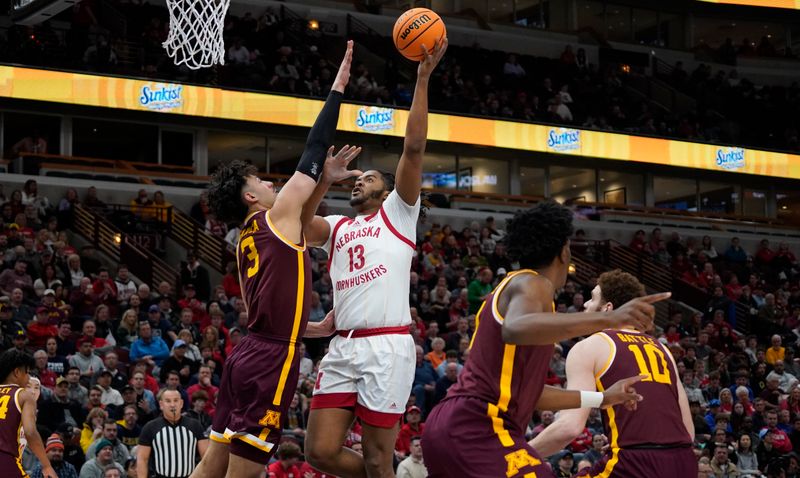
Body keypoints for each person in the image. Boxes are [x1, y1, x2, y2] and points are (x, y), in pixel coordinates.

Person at [190, 41, 359, 478]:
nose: (270, 183)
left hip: (247, 350)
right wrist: (337, 91)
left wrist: (314, 327)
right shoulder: (275, 216)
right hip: (271, 358)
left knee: (213, 462)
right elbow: (314, 149)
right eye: (262, 180)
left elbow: (275, 298)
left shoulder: (252, 235)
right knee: (241, 473)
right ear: (250, 196)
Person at [421, 201, 663, 478]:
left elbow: (531, 395)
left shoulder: (519, 292)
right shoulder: (533, 283)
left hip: (451, 425)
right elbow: (516, 327)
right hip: (477, 425)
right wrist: (611, 319)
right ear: (564, 252)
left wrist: (603, 398)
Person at [302, 38, 449, 478]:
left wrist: (421, 79)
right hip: (343, 345)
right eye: (356, 179)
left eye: (367, 178)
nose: (358, 182)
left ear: (386, 191)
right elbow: (301, 224)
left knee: (377, 458)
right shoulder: (338, 226)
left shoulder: (399, 213)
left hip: (387, 346)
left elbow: (414, 149)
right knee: (320, 452)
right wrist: (324, 180)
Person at [530, 270, 696, 476]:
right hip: (684, 463)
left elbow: (569, 427)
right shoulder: (663, 350)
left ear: (608, 308)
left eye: (592, 298)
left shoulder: (589, 346)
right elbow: (688, 432)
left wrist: (520, 454)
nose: (585, 305)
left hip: (635, 464)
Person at [0, 349, 56, 478]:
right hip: (5, 460)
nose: (29, 378)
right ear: (17, 372)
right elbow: (30, 432)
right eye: (27, 373)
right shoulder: (23, 395)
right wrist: (47, 465)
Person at [137, 389, 207, 478]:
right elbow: (142, 459)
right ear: (161, 405)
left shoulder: (195, 425)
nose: (172, 405)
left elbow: (205, 458)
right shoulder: (150, 427)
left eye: (176, 400)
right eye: (168, 401)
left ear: (181, 404)